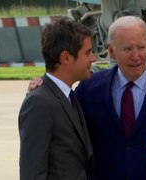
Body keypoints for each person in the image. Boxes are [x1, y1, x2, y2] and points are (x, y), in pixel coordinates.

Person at [27, 16, 146, 179]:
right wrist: (43, 86)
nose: (136, 56)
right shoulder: (90, 88)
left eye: (141, 47)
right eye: (127, 49)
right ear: (112, 52)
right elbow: (61, 112)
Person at [18, 17, 96, 180]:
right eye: (87, 52)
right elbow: (32, 174)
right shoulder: (40, 103)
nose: (93, 58)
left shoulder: (69, 96)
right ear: (66, 57)